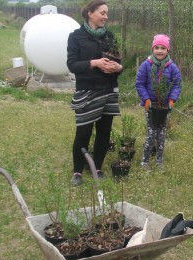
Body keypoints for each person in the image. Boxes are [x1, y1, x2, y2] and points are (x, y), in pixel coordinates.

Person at [67, 0, 123, 186]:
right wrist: (94, 63)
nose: (106, 17)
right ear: (90, 13)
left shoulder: (110, 36)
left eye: (107, 13)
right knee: (83, 132)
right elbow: (72, 65)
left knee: (104, 132)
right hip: (87, 90)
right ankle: (77, 171)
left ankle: (97, 167)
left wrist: (118, 67)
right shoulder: (76, 37)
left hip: (108, 89)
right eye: (103, 13)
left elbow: (118, 61)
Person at [135, 34, 182, 170]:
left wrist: (172, 100)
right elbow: (139, 83)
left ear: (168, 50)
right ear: (152, 49)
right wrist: (146, 100)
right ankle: (145, 161)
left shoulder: (172, 67)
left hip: (164, 107)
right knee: (151, 134)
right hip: (150, 106)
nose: (160, 51)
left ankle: (159, 162)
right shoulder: (146, 65)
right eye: (157, 47)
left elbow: (177, 84)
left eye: (163, 48)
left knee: (161, 135)